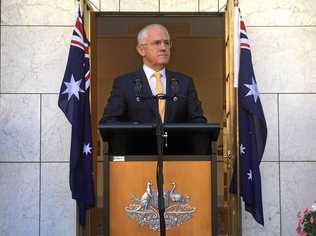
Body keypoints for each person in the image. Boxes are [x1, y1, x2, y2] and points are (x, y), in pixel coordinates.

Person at [100, 24, 206, 124]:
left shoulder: (185, 82)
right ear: (141, 50)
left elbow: (198, 122)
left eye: (167, 43)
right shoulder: (124, 84)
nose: (163, 48)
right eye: (157, 43)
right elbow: (109, 122)